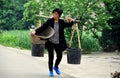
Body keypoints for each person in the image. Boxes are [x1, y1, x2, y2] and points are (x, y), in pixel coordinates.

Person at [31, 8, 73, 77]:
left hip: (58, 42)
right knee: (51, 57)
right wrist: (35, 31)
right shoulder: (50, 21)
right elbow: (43, 27)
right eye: (53, 13)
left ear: (59, 15)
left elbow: (69, 25)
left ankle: (56, 66)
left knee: (59, 56)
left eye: (56, 14)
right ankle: (50, 70)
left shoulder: (62, 22)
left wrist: (70, 21)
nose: (54, 15)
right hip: (50, 41)